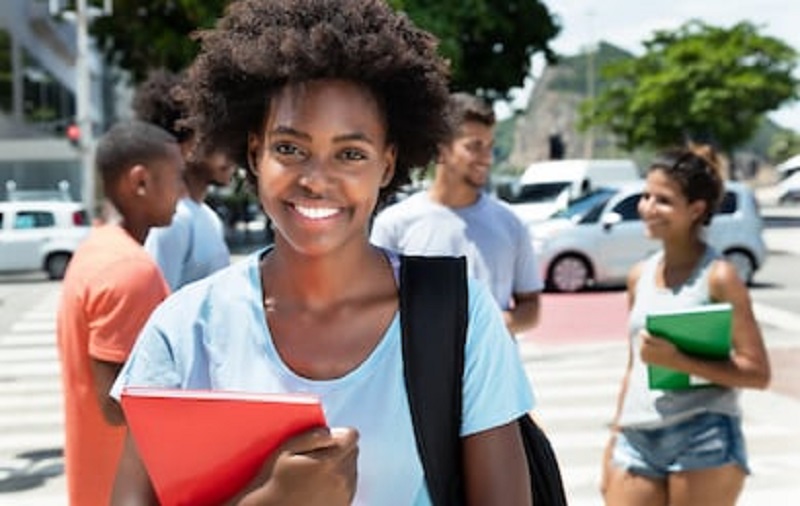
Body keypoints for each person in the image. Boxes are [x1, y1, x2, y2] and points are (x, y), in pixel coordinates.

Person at [109, 0, 535, 505]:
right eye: (289, 148)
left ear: (387, 164)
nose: (315, 180)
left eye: (351, 154)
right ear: (254, 153)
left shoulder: (460, 317)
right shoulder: (184, 330)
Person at [601, 144, 771, 506]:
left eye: (662, 200)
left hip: (703, 435)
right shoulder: (639, 276)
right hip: (637, 438)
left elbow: (758, 373)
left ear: (696, 209)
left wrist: (680, 362)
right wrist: (613, 439)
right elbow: (635, 367)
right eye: (645, 196)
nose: (647, 208)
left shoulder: (719, 277)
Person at [56, 120, 184, 506]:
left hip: (98, 484)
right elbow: (117, 405)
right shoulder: (130, 270)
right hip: (127, 489)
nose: (182, 191)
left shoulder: (98, 249)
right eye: (177, 178)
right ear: (141, 182)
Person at [370, 92, 542, 335]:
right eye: (474, 147)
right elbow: (374, 307)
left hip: (495, 371)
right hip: (418, 371)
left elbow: (531, 307)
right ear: (441, 150)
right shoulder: (394, 224)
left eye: (490, 147)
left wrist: (483, 329)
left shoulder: (511, 224)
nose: (487, 158)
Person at [133, 68, 236, 291]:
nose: (230, 152)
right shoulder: (174, 222)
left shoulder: (207, 216)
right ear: (184, 146)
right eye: (216, 139)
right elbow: (155, 309)